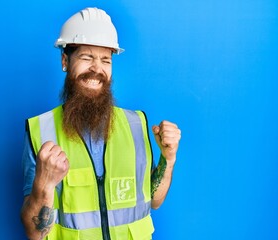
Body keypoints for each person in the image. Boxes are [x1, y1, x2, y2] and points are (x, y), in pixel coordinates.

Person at [20, 7, 181, 240]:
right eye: (87, 58)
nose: (97, 69)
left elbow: (154, 200)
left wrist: (168, 158)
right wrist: (44, 185)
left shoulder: (137, 124)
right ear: (65, 60)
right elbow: (35, 233)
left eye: (105, 60)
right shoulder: (41, 130)